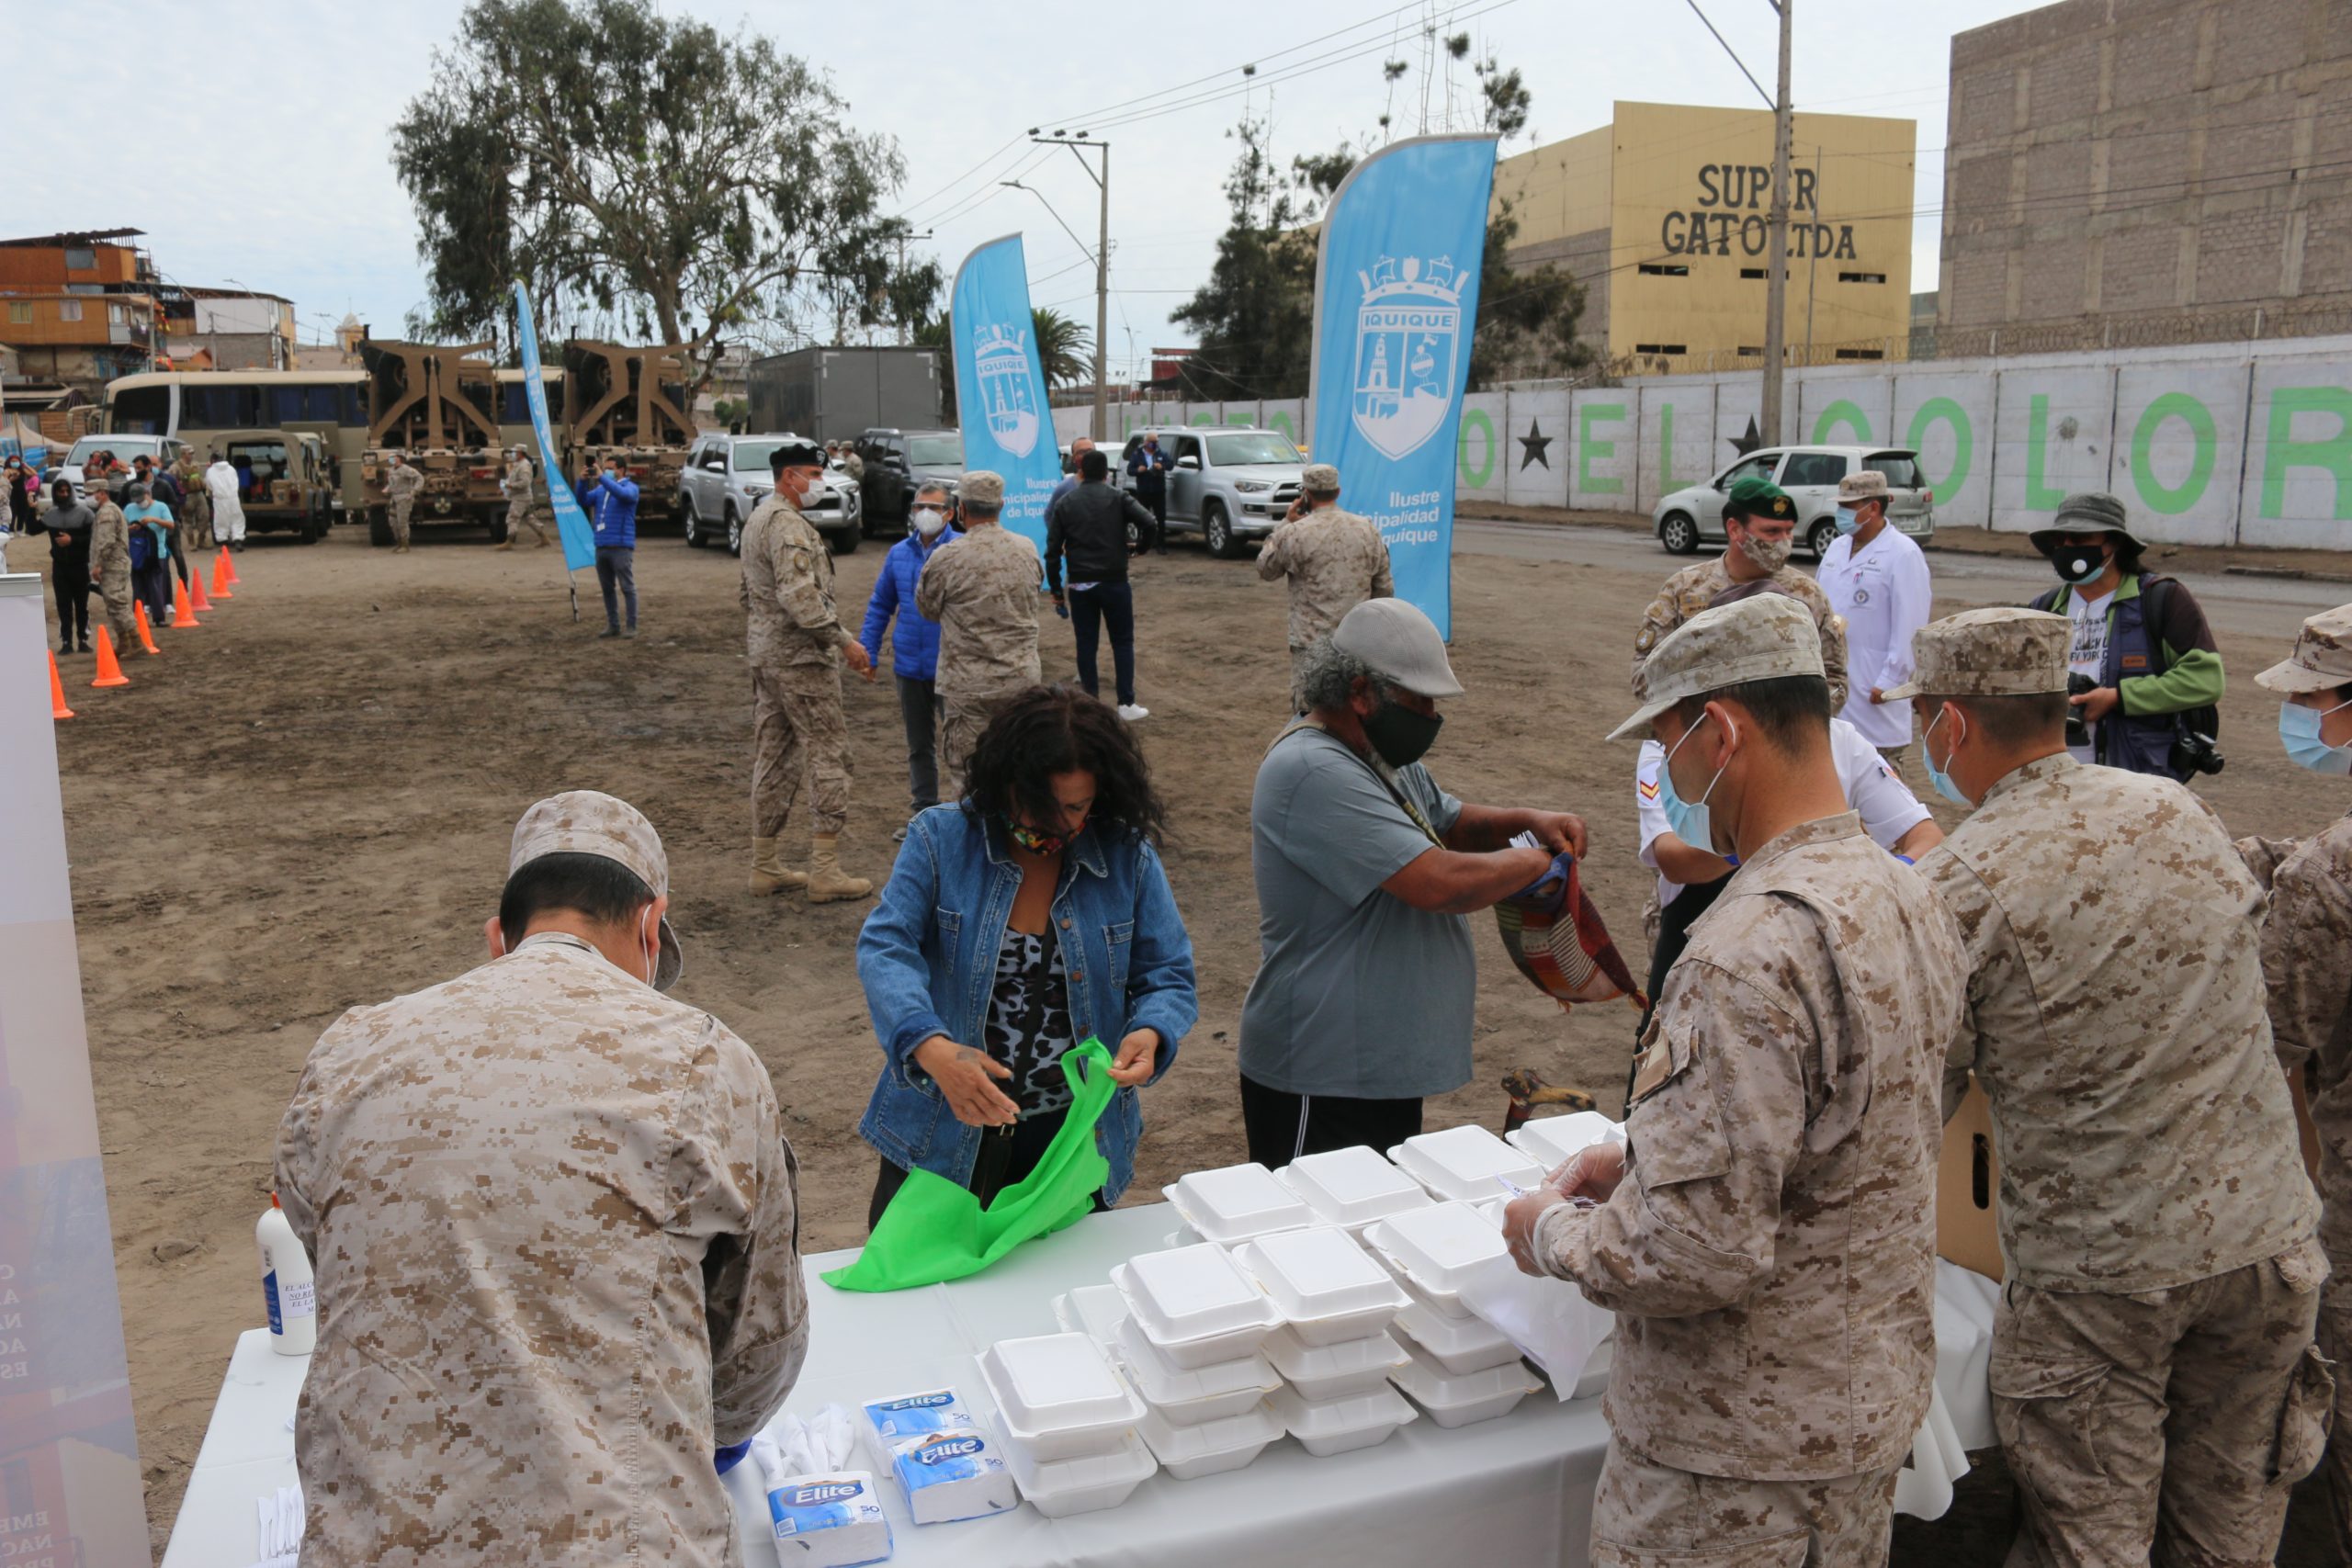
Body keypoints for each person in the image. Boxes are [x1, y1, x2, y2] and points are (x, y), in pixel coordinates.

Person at [1502, 592, 1966, 1568]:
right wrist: (1646, 1159)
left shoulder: (1741, 950)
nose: (1671, 776)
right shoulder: (1906, 893)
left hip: (1732, 1462)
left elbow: (1688, 1256)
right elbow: (1842, 1128)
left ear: (1719, 732)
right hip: (1857, 1410)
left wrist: (1547, 1234)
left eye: (1670, 743)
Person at [1896, 606, 2326, 1566]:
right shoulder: (2172, 807)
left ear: (1951, 725)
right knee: (2230, 1538)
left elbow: (1916, 1096)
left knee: (2092, 1542)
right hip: (2264, 1248)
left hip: (2103, 1282)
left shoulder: (1959, 878)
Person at [275, 791, 807, 1566]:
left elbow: (328, 1249)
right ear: (650, 928)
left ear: (499, 937)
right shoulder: (706, 1059)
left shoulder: (347, 1050)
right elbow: (757, 1348)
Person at [1240, 597, 1588, 1166]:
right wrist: (1533, 862)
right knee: (1317, 1238)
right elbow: (1438, 882)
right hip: (1323, 1072)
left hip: (1374, 1066)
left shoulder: (1374, 756)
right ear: (1359, 692)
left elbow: (1451, 823)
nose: (1431, 714)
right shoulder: (1312, 769)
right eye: (1418, 699)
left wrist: (1527, 822)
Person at [855, 685, 1196, 1225]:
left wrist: (1152, 1031)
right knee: (918, 1299)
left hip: (1073, 1143)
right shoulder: (940, 839)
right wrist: (932, 1047)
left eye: (1077, 807)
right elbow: (885, 948)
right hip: (940, 1130)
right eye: (1040, 807)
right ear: (1002, 784)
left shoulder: (1127, 856)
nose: (1059, 827)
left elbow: (1168, 974)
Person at [2235, 604, 2352, 1556]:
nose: (2305, 715)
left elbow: (2269, 1050)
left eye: (2312, 698)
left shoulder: (2329, 878)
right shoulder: (2321, 864)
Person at [741, 439, 876, 903]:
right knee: (828, 754)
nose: (819, 482)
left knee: (775, 753)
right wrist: (845, 643)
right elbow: (799, 596)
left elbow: (750, 594)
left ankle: (765, 864)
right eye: (813, 476)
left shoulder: (760, 518)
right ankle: (825, 870)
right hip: (800, 658)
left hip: (768, 655)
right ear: (789, 478)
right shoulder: (786, 525)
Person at [2025, 491, 2225, 781]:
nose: (2067, 549)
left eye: (2080, 540)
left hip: (2136, 779)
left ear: (2114, 543)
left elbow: (2206, 680)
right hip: (2054, 778)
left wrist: (2118, 697)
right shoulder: (2043, 609)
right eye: (2060, 541)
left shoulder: (2162, 600)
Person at [1631, 473, 1849, 707]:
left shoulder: (1808, 595)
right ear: (1735, 529)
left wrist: (1789, 720)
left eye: (1788, 531)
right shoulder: (1683, 588)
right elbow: (1645, 673)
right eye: (1772, 532)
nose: (1784, 542)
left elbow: (1835, 679)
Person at [914, 470, 1045, 799]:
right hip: (1021, 683)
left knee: (969, 776)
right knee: (1019, 771)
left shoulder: (946, 558)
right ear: (1001, 505)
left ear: (960, 510)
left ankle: (976, 847)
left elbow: (927, 609)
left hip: (968, 687)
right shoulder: (1026, 549)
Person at [861, 481, 960, 840]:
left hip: (951, 666)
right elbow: (880, 605)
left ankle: (965, 817)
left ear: (949, 512)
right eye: (919, 507)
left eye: (932, 507)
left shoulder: (960, 551)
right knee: (919, 745)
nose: (924, 514)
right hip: (909, 665)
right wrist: (867, 649)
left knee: (960, 745)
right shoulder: (899, 553)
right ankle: (924, 814)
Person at [1814, 469, 1930, 767]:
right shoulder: (1838, 547)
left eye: (1848, 508)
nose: (1840, 513)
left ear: (1873, 508)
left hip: (1874, 685)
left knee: (1880, 773)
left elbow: (1911, 624)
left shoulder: (1903, 554)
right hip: (1834, 679)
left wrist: (1890, 680)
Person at [1255, 462, 1393, 708]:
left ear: (1305, 495)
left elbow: (1265, 568)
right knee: (1357, 711)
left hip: (1311, 646)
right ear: (1338, 492)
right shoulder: (1366, 530)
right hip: (1356, 643)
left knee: (1311, 716)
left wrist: (1286, 523)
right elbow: (1384, 589)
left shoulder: (1295, 533)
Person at [1046, 448, 1158, 722]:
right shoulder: (1119, 498)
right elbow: (1150, 522)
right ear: (1107, 473)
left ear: (1080, 472)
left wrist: (1057, 593)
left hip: (1081, 583)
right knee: (1122, 641)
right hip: (1114, 580)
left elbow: (1051, 552)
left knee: (1086, 643)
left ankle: (1089, 703)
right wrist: (1138, 549)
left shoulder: (1066, 502)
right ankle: (1126, 703)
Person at [585, 456, 640, 637]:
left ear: (621, 470)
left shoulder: (631, 488)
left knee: (627, 587)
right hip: (602, 545)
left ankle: (631, 626)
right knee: (607, 588)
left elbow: (623, 495)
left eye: (610, 468)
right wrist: (581, 481)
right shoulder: (602, 490)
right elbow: (583, 500)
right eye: (604, 468)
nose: (606, 471)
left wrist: (601, 478)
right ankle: (613, 625)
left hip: (620, 546)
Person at [41, 478, 94, 655]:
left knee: (82, 606)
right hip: (60, 568)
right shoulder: (51, 514)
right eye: (60, 491)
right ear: (55, 493)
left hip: (79, 566)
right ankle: (66, 642)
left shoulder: (85, 513)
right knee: (63, 606)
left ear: (71, 492)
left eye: (66, 491)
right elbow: (32, 529)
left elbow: (92, 539)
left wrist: (72, 540)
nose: (63, 494)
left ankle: (83, 640)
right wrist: (30, 509)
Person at [122, 479, 175, 630]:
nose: (139, 503)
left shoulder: (161, 507)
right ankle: (138, 617)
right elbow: (121, 528)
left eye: (141, 499)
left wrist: (153, 519)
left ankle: (159, 618)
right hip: (136, 554)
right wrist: (131, 528)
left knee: (155, 586)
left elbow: (171, 525)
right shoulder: (129, 508)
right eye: (136, 500)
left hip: (157, 553)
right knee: (137, 588)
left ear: (147, 494)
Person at [1125, 433, 1170, 554]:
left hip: (1158, 491)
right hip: (1144, 491)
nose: (1154, 444)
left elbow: (1170, 464)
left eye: (1156, 441)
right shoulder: (1137, 454)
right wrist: (1138, 470)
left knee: (1161, 518)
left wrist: (1161, 466)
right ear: (1146, 442)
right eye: (1152, 441)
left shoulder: (1161, 453)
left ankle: (1161, 544)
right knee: (1142, 517)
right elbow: (1130, 470)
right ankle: (1141, 543)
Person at [498, 446, 549, 549]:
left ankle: (509, 542)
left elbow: (525, 483)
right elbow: (512, 479)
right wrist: (504, 488)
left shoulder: (524, 466)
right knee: (530, 519)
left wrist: (510, 486)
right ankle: (544, 539)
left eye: (514, 452)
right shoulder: (519, 464)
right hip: (521, 496)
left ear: (520, 453)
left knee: (512, 518)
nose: (512, 454)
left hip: (521, 497)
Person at [205, 450, 247, 552]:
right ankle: (238, 540)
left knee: (221, 521)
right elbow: (236, 482)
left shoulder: (210, 471)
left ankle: (224, 544)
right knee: (237, 518)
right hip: (233, 498)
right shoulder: (231, 469)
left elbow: (209, 485)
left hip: (220, 499)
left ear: (213, 459)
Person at [174, 448, 211, 554]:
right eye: (189, 453)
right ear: (183, 454)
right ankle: (191, 542)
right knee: (188, 520)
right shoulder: (176, 466)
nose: (192, 455)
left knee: (205, 516)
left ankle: (201, 540)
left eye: (192, 453)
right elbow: (172, 480)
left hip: (199, 493)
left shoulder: (195, 464)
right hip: (187, 495)